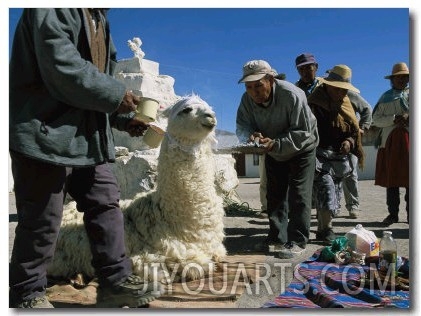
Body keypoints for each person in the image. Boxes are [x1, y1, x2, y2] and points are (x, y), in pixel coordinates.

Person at [9, 9, 161, 308]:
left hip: (86, 138)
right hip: (44, 133)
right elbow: (62, 67)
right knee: (43, 218)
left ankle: (115, 282)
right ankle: (27, 293)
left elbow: (95, 85)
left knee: (105, 203)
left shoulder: (99, 21)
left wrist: (126, 118)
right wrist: (118, 96)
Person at [236, 60, 319, 259]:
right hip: (271, 149)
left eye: (258, 85)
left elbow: (303, 132)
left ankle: (298, 240)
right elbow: (242, 126)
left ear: (271, 80)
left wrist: (276, 143)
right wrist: (251, 136)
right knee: (275, 195)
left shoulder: (292, 94)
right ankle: (276, 237)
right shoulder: (246, 100)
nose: (254, 92)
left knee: (299, 195)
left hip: (302, 148)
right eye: (249, 87)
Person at [295, 53, 372, 219]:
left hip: (345, 142)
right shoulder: (309, 94)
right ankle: (324, 215)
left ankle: (352, 206)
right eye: (302, 69)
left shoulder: (345, 94)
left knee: (349, 174)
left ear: (316, 68)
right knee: (323, 180)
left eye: (309, 67)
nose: (306, 71)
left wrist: (357, 133)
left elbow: (366, 110)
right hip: (320, 145)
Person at [307, 64, 365, 243]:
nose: (342, 93)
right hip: (318, 155)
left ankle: (322, 227)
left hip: (339, 158)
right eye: (339, 89)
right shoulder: (314, 103)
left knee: (335, 192)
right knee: (326, 188)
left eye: (344, 89)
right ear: (328, 85)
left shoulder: (346, 102)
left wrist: (350, 142)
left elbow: (353, 130)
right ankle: (326, 229)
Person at [372, 62, 409, 225]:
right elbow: (376, 120)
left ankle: (412, 215)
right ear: (392, 80)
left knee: (412, 180)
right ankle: (392, 214)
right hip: (390, 143)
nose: (401, 80)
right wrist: (394, 119)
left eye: (404, 77)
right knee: (392, 181)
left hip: (410, 142)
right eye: (398, 77)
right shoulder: (385, 97)